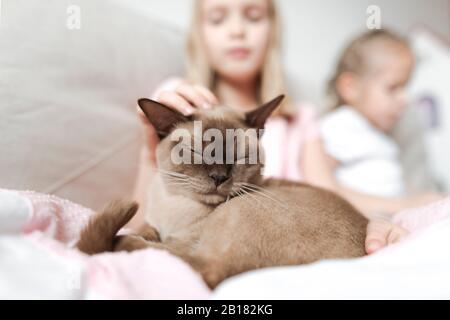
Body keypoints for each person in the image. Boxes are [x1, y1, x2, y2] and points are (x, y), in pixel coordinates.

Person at [130, 0, 442, 254]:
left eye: (253, 16)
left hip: (282, 236)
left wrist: (379, 219)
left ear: (273, 30)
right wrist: (151, 145)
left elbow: (329, 193)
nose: (237, 30)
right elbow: (145, 219)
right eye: (218, 18)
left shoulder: (300, 118)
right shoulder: (179, 101)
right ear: (199, 35)